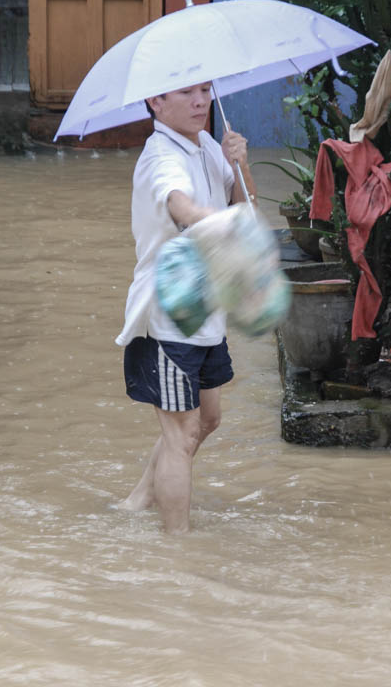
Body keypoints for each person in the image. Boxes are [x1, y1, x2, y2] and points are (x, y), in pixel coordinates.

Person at [115, 81, 257, 534]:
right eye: (186, 93)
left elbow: (248, 208)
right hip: (167, 316)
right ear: (156, 102)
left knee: (208, 420)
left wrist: (241, 164)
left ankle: (139, 498)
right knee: (182, 434)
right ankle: (178, 553)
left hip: (206, 310)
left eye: (204, 90)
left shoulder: (209, 145)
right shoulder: (162, 157)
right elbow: (179, 206)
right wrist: (217, 222)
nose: (201, 102)